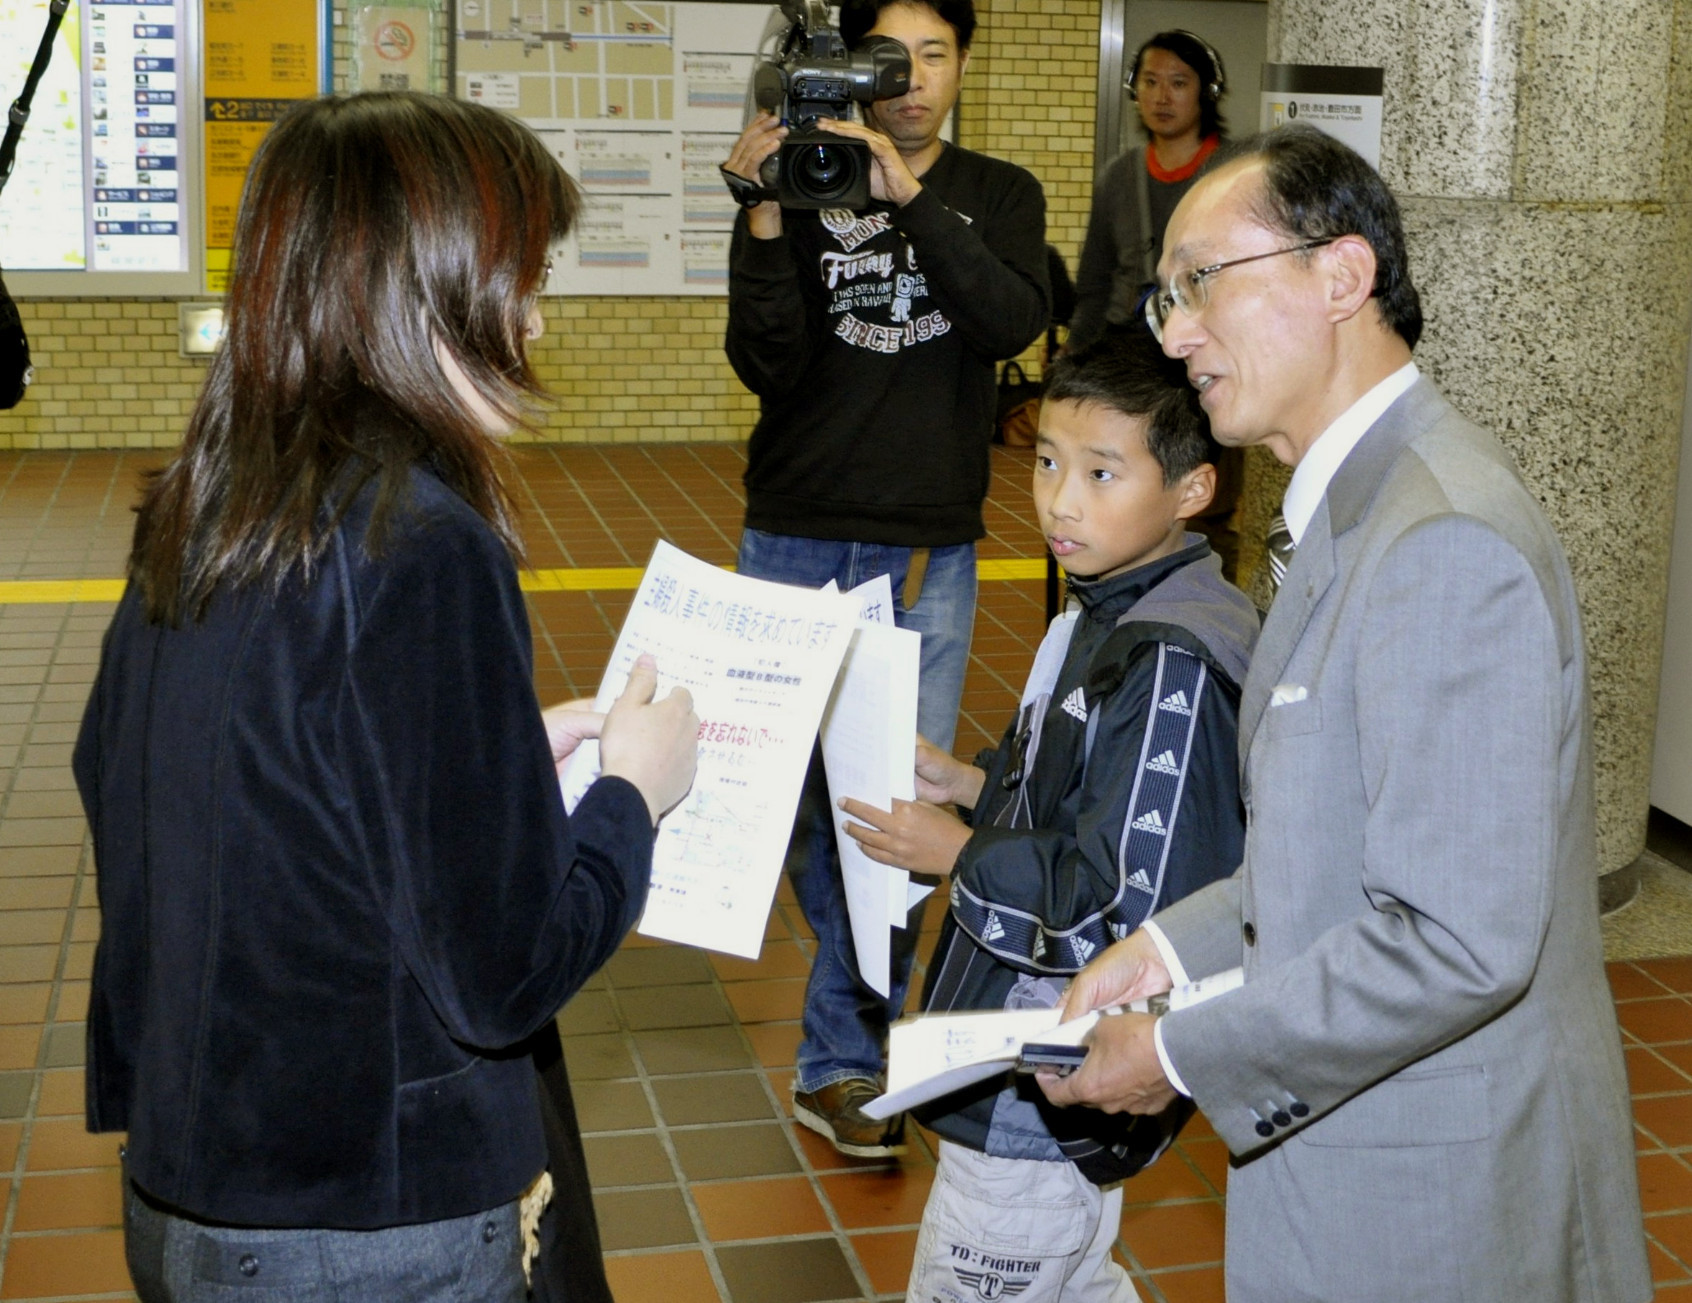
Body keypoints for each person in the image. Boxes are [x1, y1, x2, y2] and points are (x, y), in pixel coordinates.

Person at [73, 92, 699, 1301]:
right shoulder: (425, 542)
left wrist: (493, 749)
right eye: (521, 271)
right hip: (369, 1228)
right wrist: (631, 793)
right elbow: (501, 973)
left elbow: (171, 786)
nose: (534, 308)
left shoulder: (202, 510)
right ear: (435, 286)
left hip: (193, 1195)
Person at [1039, 124, 1652, 1302]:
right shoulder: (1355, 509)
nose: (1173, 331)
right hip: (1366, 1146)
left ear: (1342, 275)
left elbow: (1455, 937)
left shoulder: (1442, 540)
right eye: (1165, 296)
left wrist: (1174, 1051)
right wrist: (1171, 947)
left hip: (1442, 1200)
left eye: (1202, 282)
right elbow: (1336, 847)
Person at [841, 329, 1257, 1303]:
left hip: (1050, 1086)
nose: (1061, 499)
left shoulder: (1170, 657)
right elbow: (1078, 798)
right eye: (1046, 461)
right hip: (1023, 1069)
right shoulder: (1098, 607)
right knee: (1075, 1282)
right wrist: (972, 785)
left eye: (1103, 472)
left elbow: (1128, 910)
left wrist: (959, 852)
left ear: (1192, 489)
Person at [721, 0, 1049, 1157]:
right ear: (841, 71)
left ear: (963, 65)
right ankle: (851, 1005)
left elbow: (1012, 316)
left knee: (890, 808)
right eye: (884, 60)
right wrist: (765, 217)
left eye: (933, 56)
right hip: (796, 535)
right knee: (799, 807)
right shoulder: (804, 182)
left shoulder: (999, 194)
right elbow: (765, 362)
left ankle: (843, 1060)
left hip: (924, 550)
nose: (910, 81)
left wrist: (908, 196)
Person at [1070, 31, 1241, 580]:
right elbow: (1094, 283)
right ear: (1132, 89)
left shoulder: (1237, 173)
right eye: (1149, 82)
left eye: (1178, 83)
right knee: (1129, 488)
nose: (1162, 97)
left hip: (1213, 358)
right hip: (1133, 361)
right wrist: (1075, 361)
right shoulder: (1118, 176)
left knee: (1203, 501)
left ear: (1206, 92)